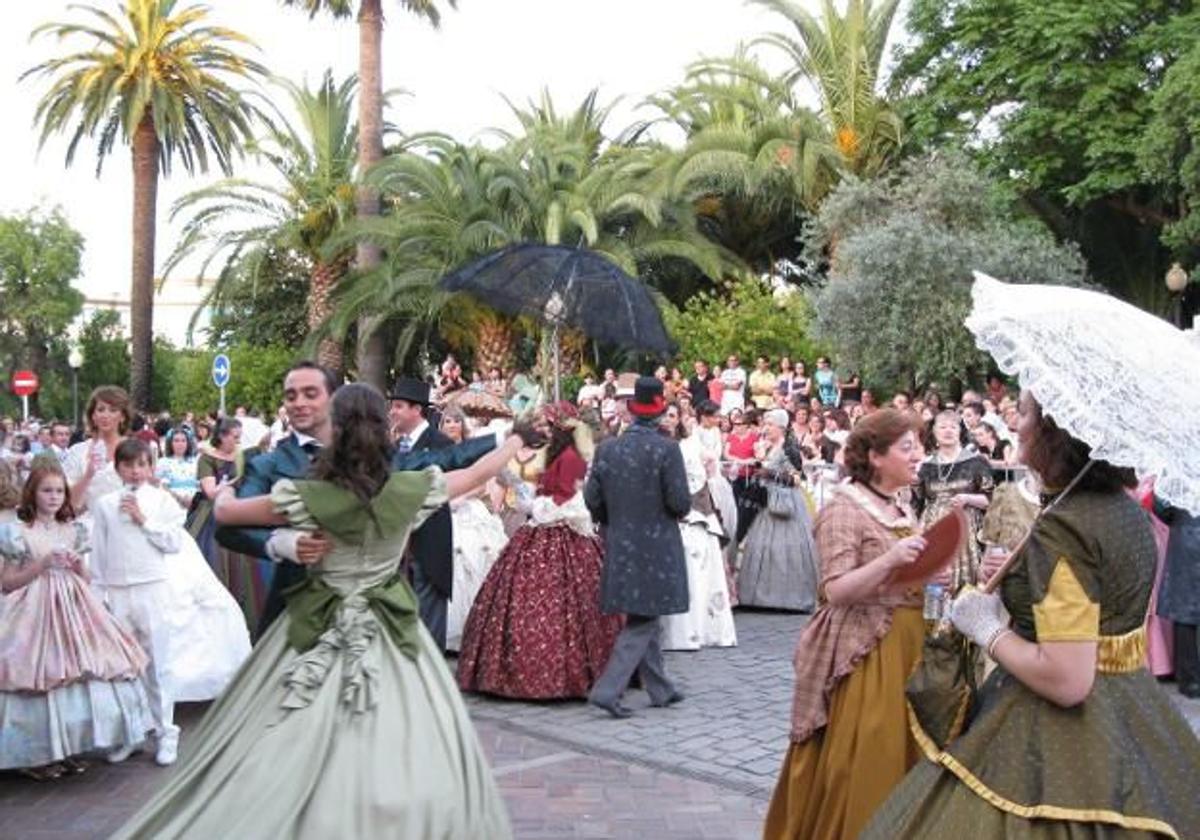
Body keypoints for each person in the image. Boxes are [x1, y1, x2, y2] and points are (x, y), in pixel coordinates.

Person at [113, 383, 521, 840]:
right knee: (416, 740)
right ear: (382, 429)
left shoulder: (306, 494)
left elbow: (229, 515)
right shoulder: (412, 488)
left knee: (274, 737)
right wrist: (518, 441)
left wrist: (225, 496)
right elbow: (477, 471)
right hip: (392, 629)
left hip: (312, 625)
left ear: (336, 430)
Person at [863, 392, 1200, 838]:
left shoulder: (1068, 526)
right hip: (1132, 708)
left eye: (1023, 413)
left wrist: (989, 629)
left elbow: (1068, 680)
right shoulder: (1122, 510)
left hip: (1055, 739)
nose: (1015, 425)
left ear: (1054, 430)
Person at [216, 362, 501, 641]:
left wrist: (506, 437)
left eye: (310, 394)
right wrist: (281, 543)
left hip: (376, 620)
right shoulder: (265, 463)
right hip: (294, 617)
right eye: (291, 396)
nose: (299, 403)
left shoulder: (379, 460)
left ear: (333, 401)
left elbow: (447, 460)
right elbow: (228, 528)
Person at [763, 409, 927, 840]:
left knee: (904, 755)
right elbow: (835, 590)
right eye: (908, 448)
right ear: (875, 456)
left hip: (910, 644)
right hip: (867, 652)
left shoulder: (901, 505)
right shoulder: (844, 510)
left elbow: (905, 575)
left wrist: (930, 572)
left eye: (918, 446)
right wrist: (893, 559)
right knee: (869, 755)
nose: (919, 456)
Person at [458, 402, 622, 699]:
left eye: (547, 427)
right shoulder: (554, 456)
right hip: (542, 532)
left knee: (564, 605)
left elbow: (564, 504)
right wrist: (523, 491)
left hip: (561, 534)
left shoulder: (571, 458)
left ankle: (564, 676)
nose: (542, 432)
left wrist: (528, 499)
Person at [0, 466, 151, 779]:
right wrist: (41, 565)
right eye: (47, 490)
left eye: (59, 491)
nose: (54, 497)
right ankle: (35, 754)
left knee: (81, 673)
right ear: (32, 493)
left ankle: (67, 748)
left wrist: (77, 565)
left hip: (75, 607)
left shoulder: (74, 531)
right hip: (33, 610)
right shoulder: (17, 532)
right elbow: (8, 582)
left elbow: (87, 576)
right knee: (40, 674)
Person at [584, 377, 691, 718]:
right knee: (643, 618)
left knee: (645, 612)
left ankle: (660, 688)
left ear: (631, 412)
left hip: (619, 542)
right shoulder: (666, 449)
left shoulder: (607, 449)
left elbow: (592, 498)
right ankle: (608, 689)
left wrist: (610, 519)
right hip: (657, 545)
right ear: (659, 412)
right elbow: (680, 503)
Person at [91, 439, 191, 766]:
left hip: (152, 588)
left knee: (158, 663)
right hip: (118, 591)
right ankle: (132, 733)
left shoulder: (162, 501)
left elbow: (174, 542)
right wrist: (98, 593)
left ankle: (166, 733)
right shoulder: (105, 503)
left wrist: (143, 519)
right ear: (118, 467)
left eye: (141, 465)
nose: (135, 471)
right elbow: (99, 551)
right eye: (128, 465)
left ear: (151, 467)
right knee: (124, 669)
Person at [659, 404, 737, 650]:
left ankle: (696, 631)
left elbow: (698, 481)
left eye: (672, 415)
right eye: (664, 415)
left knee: (697, 573)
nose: (667, 420)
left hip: (693, 516)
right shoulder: (656, 445)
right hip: (668, 520)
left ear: (680, 418)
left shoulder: (688, 445)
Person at [438, 408, 509, 653]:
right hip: (442, 507)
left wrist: (461, 497)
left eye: (457, 420)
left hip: (468, 507)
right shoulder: (437, 450)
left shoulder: (472, 450)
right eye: (448, 420)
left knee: (477, 553)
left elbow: (482, 484)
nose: (453, 424)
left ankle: (476, 629)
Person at [737, 409, 820, 612]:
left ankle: (789, 597)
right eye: (765, 424)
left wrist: (772, 474)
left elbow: (798, 478)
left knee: (786, 548)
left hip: (785, 502)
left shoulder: (790, 449)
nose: (766, 428)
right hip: (767, 502)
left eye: (770, 424)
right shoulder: (766, 447)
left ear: (781, 427)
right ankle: (759, 596)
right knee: (762, 546)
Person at [914, 410, 995, 590]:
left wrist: (968, 498)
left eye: (953, 426)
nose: (948, 431)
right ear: (934, 433)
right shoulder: (926, 466)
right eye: (942, 427)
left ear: (960, 432)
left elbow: (992, 500)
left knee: (966, 585)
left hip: (965, 528)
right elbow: (917, 503)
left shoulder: (976, 463)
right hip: (934, 527)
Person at [1158, 501, 1200, 698]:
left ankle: (1189, 679)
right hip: (1187, 534)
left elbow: (1162, 507)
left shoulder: (1181, 475)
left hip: (1186, 533)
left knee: (1185, 608)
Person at [155, 428, 199, 510]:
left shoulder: (196, 461)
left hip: (195, 503)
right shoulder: (163, 462)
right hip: (171, 503)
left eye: (183, 441)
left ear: (188, 443)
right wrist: (180, 499)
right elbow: (161, 486)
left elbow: (201, 484)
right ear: (170, 443)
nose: (180, 444)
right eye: (176, 441)